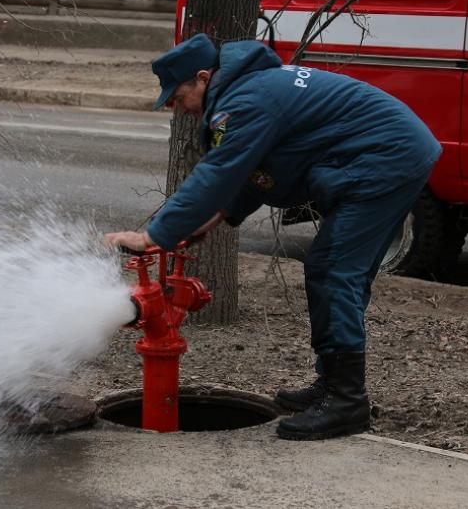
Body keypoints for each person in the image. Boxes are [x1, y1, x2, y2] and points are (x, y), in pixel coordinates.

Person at [104, 33, 442, 441]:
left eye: (176, 96)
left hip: (385, 159)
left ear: (203, 77)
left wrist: (153, 235)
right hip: (389, 154)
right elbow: (252, 175)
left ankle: (346, 402)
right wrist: (208, 223)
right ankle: (332, 384)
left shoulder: (245, 100)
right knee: (340, 272)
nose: (176, 108)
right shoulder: (251, 90)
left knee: (333, 269)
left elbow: (219, 173)